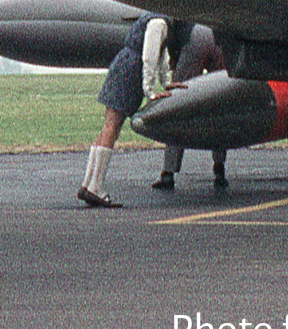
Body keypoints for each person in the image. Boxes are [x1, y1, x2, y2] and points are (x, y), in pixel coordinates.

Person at [78, 13, 181, 208]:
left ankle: (88, 183)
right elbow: (150, 56)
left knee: (108, 125)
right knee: (112, 127)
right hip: (131, 70)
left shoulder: (154, 18)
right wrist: (150, 91)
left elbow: (160, 56)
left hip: (123, 63)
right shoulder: (160, 22)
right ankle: (95, 187)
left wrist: (166, 83)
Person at [151, 24, 227, 191]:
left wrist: (175, 65)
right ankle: (219, 168)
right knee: (220, 102)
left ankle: (168, 173)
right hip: (217, 35)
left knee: (177, 104)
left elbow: (172, 42)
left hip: (193, 37)